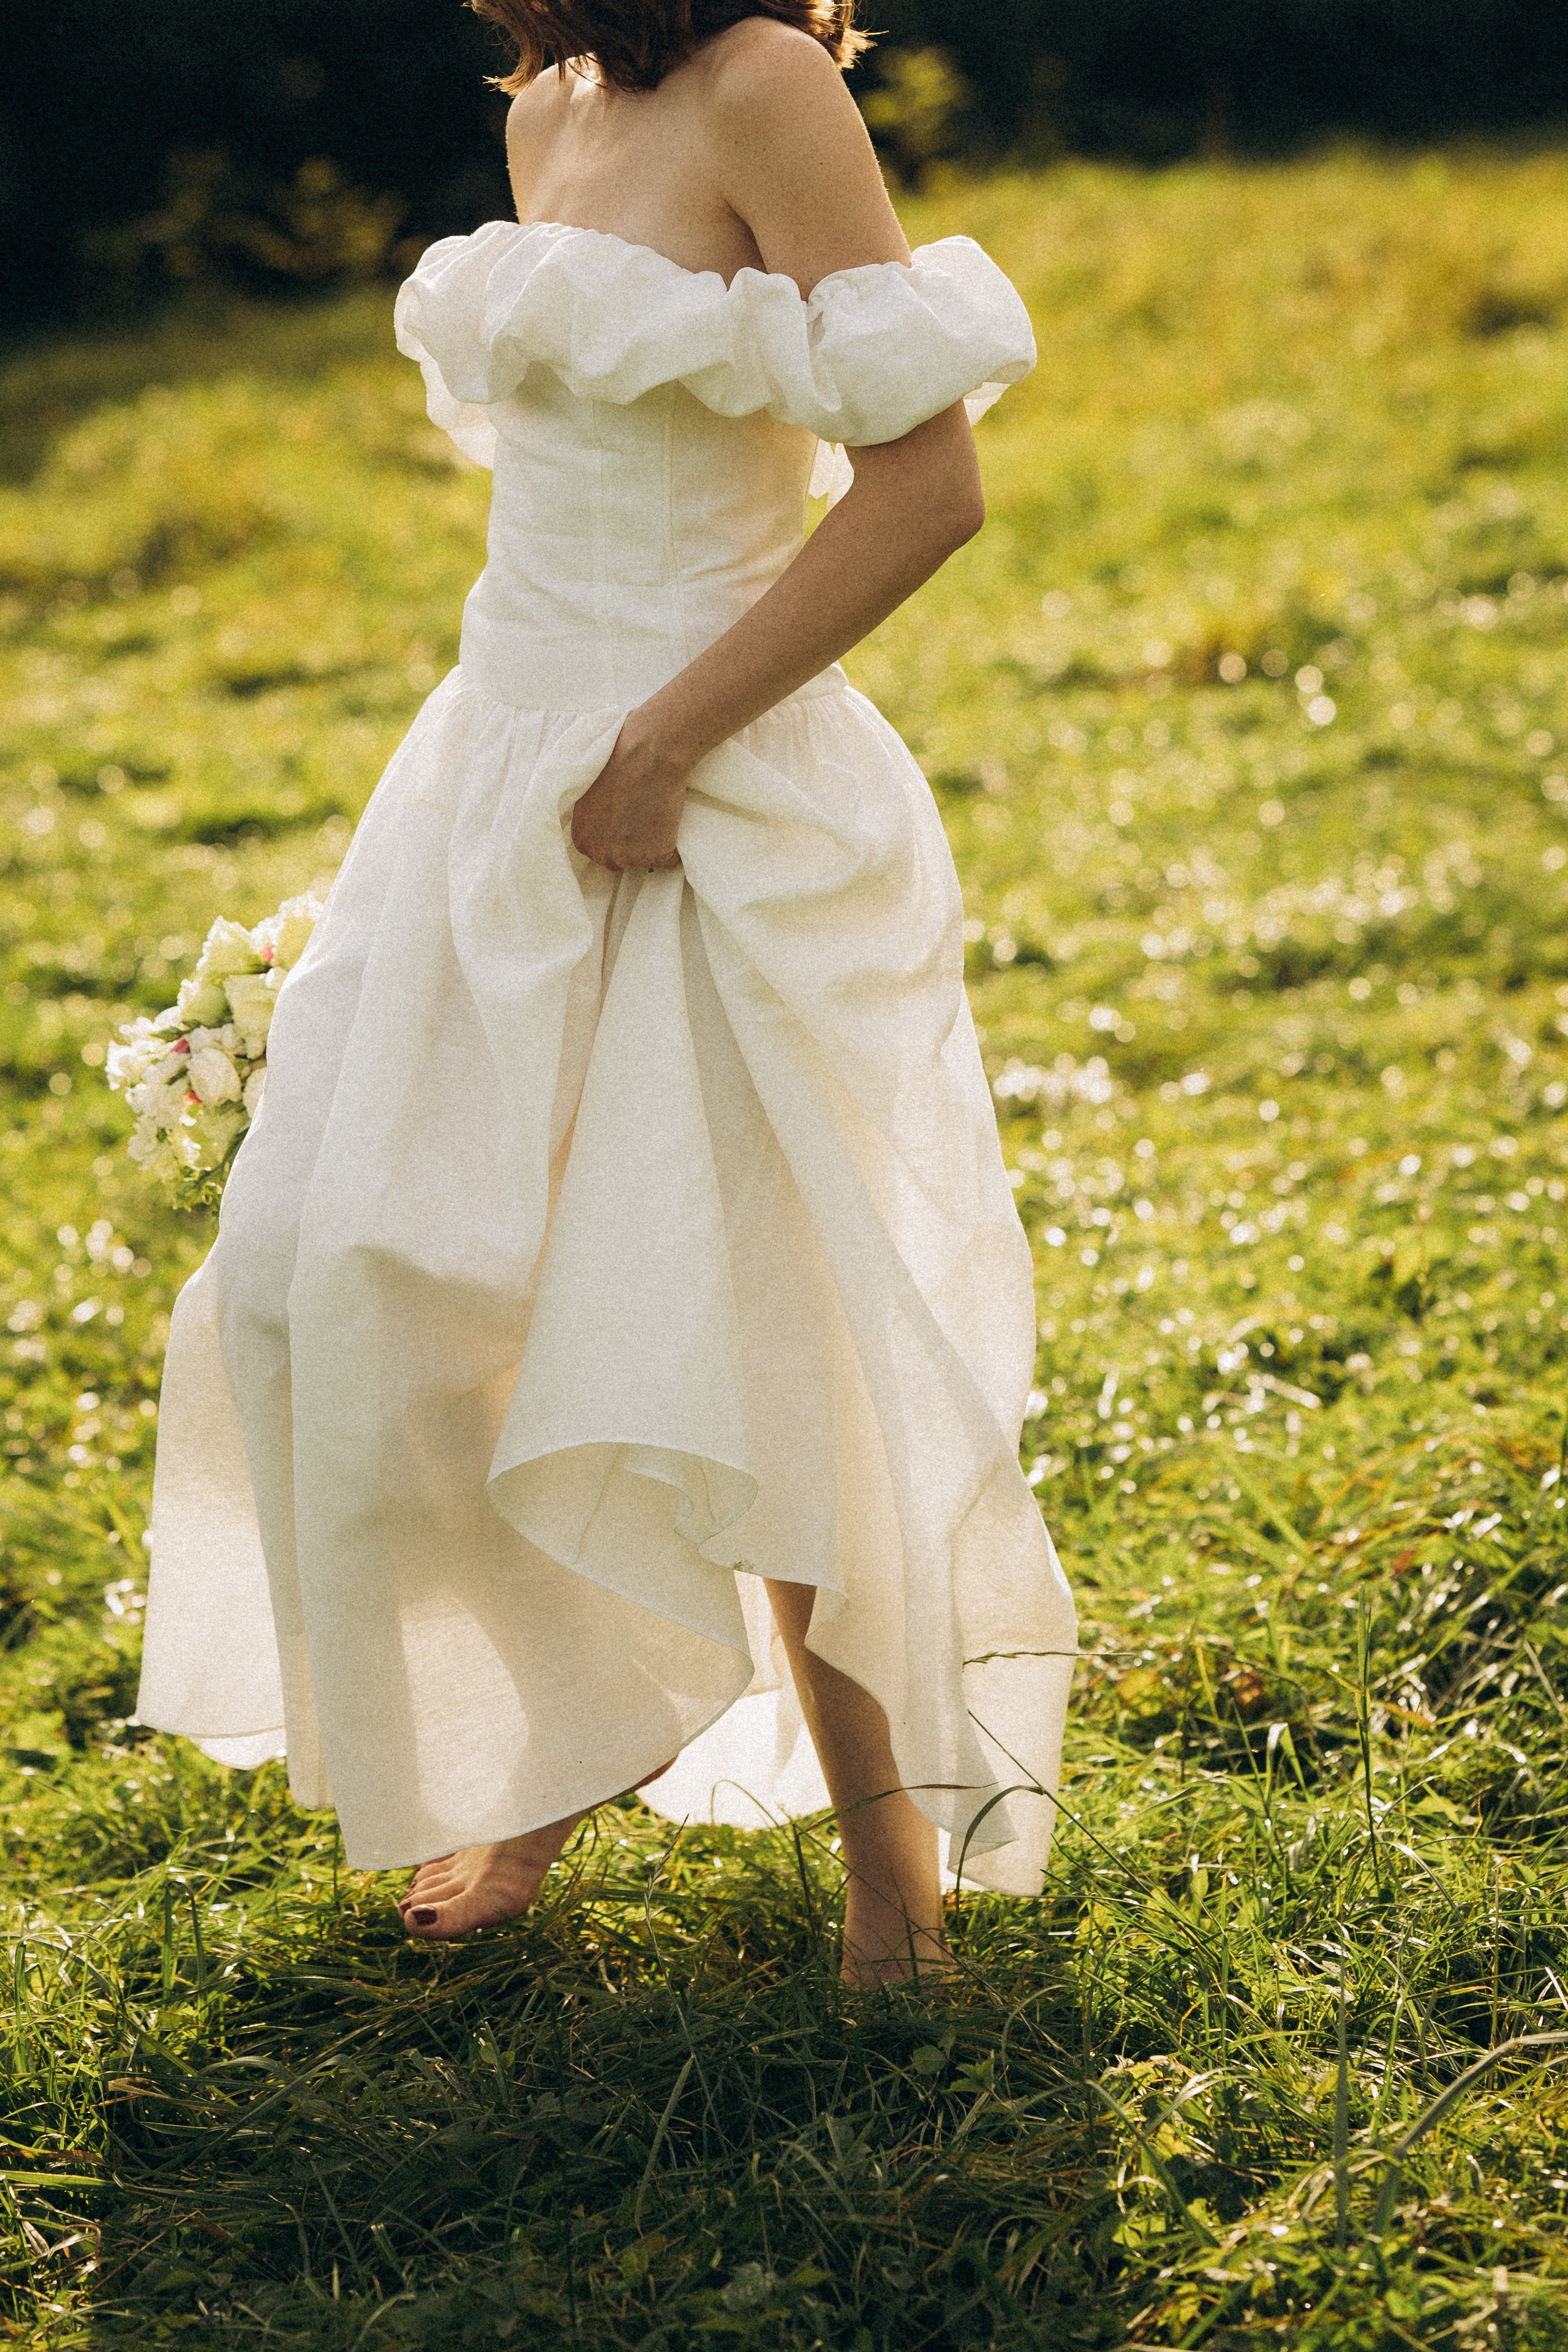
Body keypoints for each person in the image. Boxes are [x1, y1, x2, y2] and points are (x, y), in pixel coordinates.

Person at [135, 0, 1077, 1983]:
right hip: (498, 762)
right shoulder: (542, 110)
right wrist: (538, 756)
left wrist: (664, 744)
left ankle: (887, 1848)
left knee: (747, 1313)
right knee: (360, 1261)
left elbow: (928, 490)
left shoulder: (764, 87)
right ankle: (541, 1746)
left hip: (712, 776)